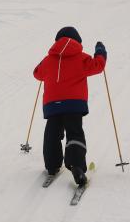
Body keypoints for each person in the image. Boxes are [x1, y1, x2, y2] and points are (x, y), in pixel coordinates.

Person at [32, 27, 107, 187]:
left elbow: (37, 73)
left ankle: (52, 166)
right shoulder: (81, 57)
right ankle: (76, 165)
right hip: (74, 104)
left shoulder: (48, 59)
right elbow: (98, 66)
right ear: (77, 41)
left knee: (52, 133)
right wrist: (100, 52)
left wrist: (43, 63)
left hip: (52, 105)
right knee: (74, 132)